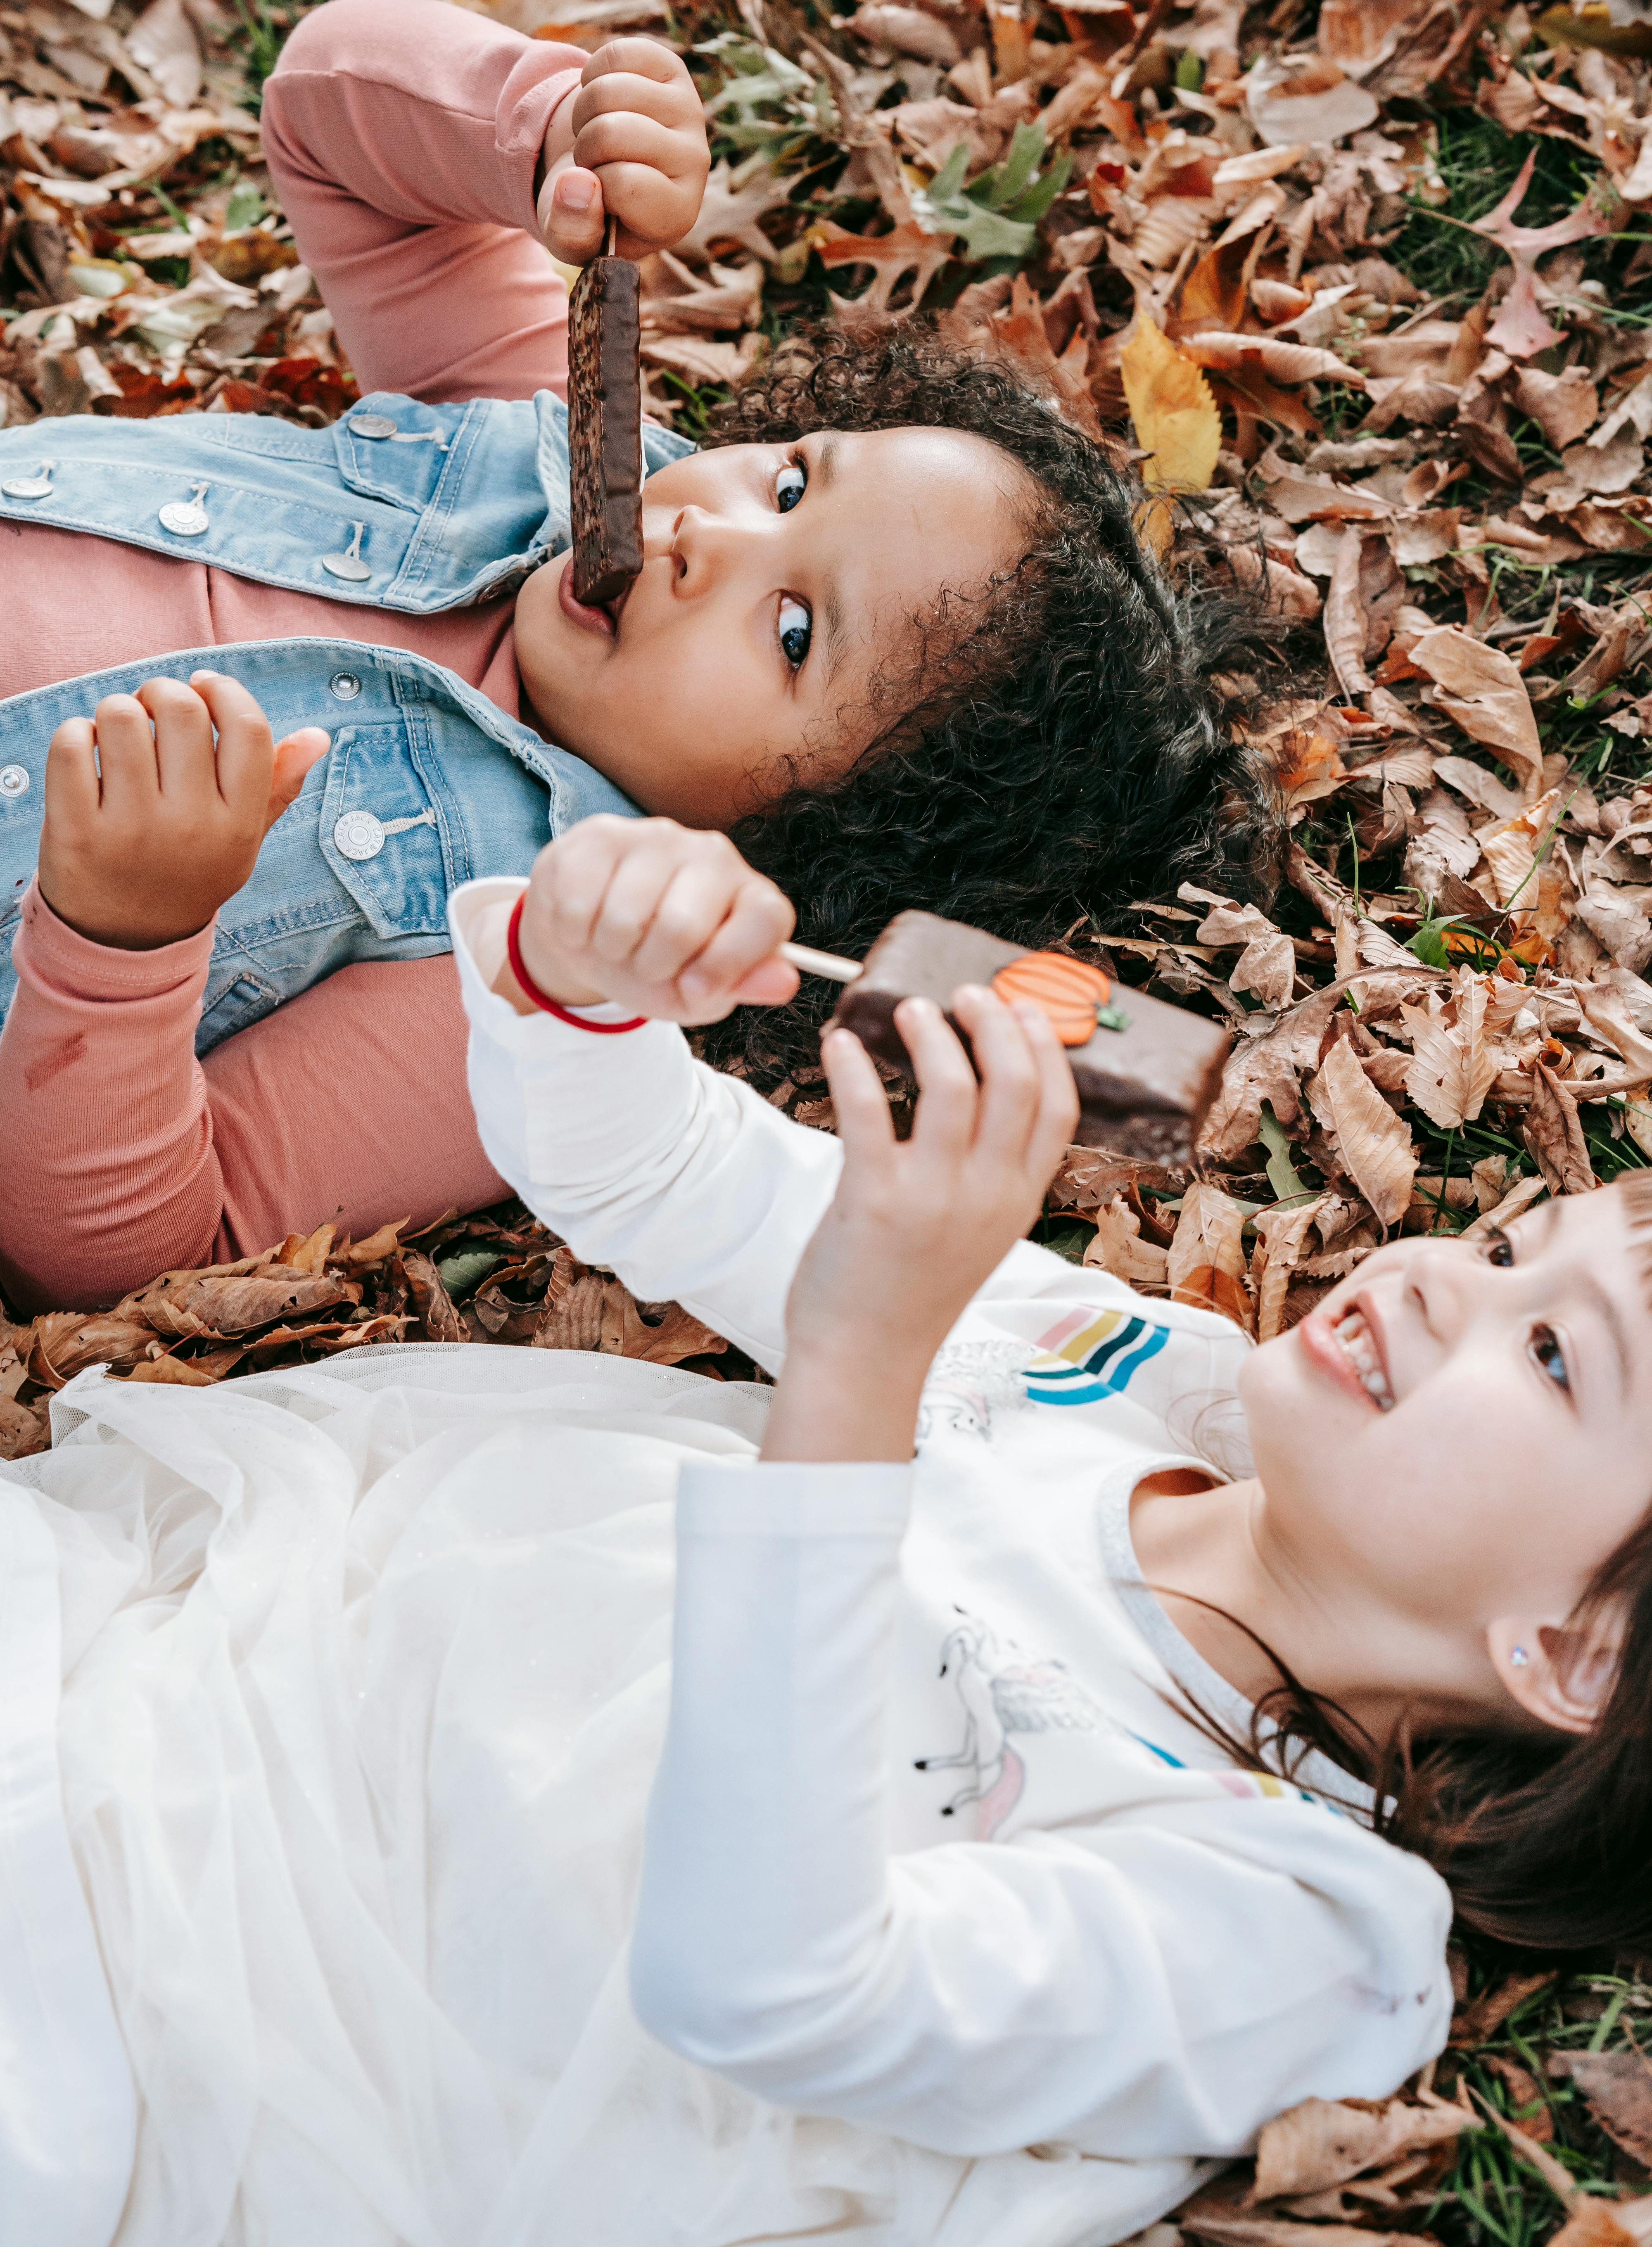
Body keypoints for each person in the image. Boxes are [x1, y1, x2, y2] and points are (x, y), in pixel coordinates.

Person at [9, 812, 1650, 2247]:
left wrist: (867, 1351)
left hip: (298, 2041)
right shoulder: (1144, 1385)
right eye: (1516, 1253)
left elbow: (772, 1987)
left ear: (1577, 1651)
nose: (1446, 1278)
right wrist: (586, 972)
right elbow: (668, 1174)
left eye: (1552, 1353)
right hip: (234, 1649)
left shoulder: (1295, 1930)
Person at [0, 0, 1275, 1315]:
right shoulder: (542, 446)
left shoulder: (523, 965)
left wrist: (119, 943)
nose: (705, 535)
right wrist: (539, 128)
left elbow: (143, 1249)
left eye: (794, 631)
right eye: (789, 484)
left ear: (810, 832)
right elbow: (323, 112)